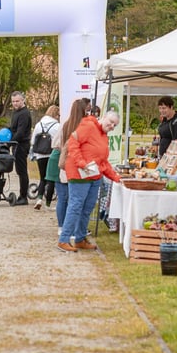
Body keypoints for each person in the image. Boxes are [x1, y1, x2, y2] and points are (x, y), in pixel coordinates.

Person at [57, 110, 121, 253]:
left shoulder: (104, 136)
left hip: (94, 176)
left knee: (87, 208)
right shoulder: (88, 126)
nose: (111, 126)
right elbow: (73, 143)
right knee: (75, 206)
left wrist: (116, 178)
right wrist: (81, 162)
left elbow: (103, 162)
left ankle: (80, 238)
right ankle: (64, 239)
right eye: (110, 122)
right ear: (103, 117)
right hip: (79, 174)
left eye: (114, 125)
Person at [55, 98, 91, 236]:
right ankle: (76, 229)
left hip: (66, 166)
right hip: (79, 166)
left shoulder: (66, 125)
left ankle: (63, 227)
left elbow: (56, 143)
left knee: (65, 199)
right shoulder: (84, 126)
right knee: (77, 201)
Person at [30, 105, 60, 210]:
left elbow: (33, 140)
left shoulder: (39, 124)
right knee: (51, 179)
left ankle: (39, 199)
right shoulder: (57, 126)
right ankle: (48, 204)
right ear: (56, 114)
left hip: (40, 154)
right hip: (52, 154)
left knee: (42, 178)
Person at [9, 91, 32, 205]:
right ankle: (22, 195)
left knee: (22, 171)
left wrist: (10, 142)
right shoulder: (15, 112)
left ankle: (23, 196)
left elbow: (21, 132)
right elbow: (13, 128)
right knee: (19, 170)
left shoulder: (24, 113)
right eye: (13, 101)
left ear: (23, 100)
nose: (15, 103)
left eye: (17, 101)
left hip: (22, 144)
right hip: (16, 144)